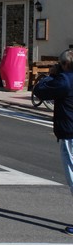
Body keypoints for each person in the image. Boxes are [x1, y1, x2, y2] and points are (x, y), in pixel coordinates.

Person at [33, 49, 73, 235]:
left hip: (69, 134)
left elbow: (40, 91)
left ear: (64, 64)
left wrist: (51, 76)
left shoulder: (64, 81)